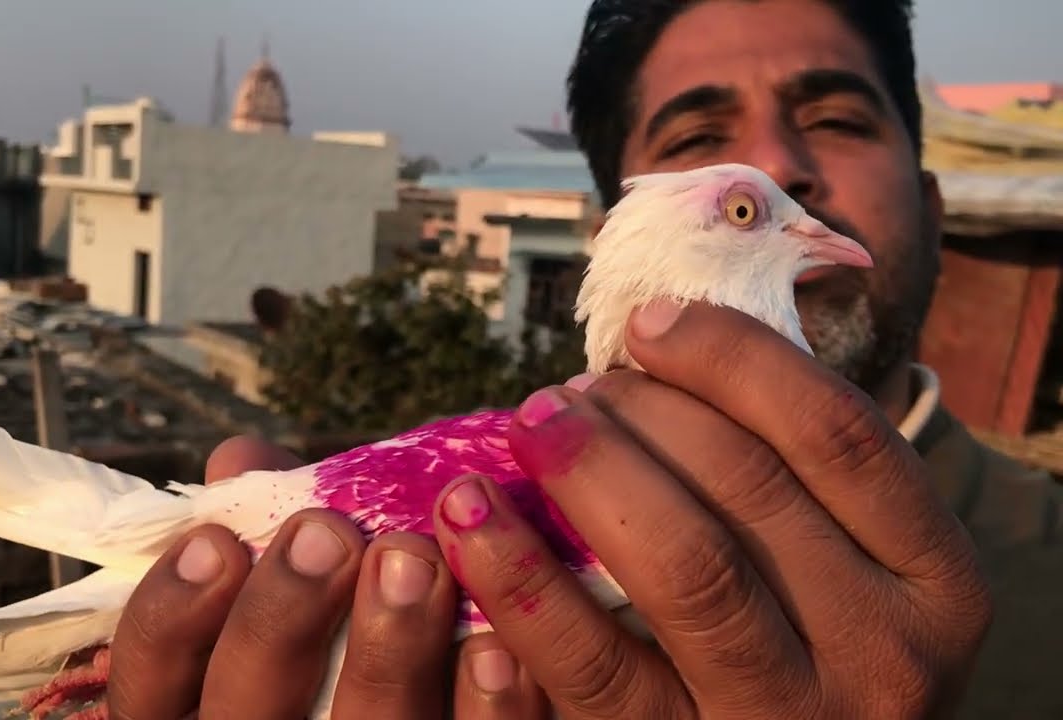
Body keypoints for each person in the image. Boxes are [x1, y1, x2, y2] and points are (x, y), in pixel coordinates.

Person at [105, 1, 1063, 718]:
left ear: (937, 208)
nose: (782, 166)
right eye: (702, 147)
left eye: (842, 120)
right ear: (621, 238)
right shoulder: (501, 501)